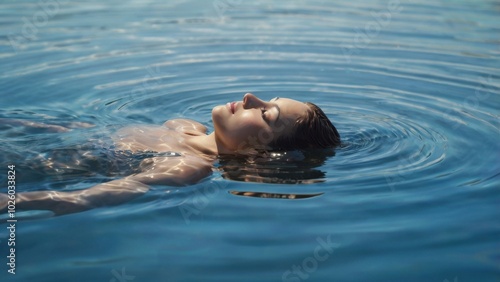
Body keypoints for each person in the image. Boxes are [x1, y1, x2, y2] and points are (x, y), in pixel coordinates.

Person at [0, 93, 340, 215]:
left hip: (25, 169)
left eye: (268, 114)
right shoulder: (183, 126)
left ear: (260, 150)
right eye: (269, 99)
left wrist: (14, 202)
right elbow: (79, 130)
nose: (251, 97)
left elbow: (82, 200)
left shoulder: (188, 168)